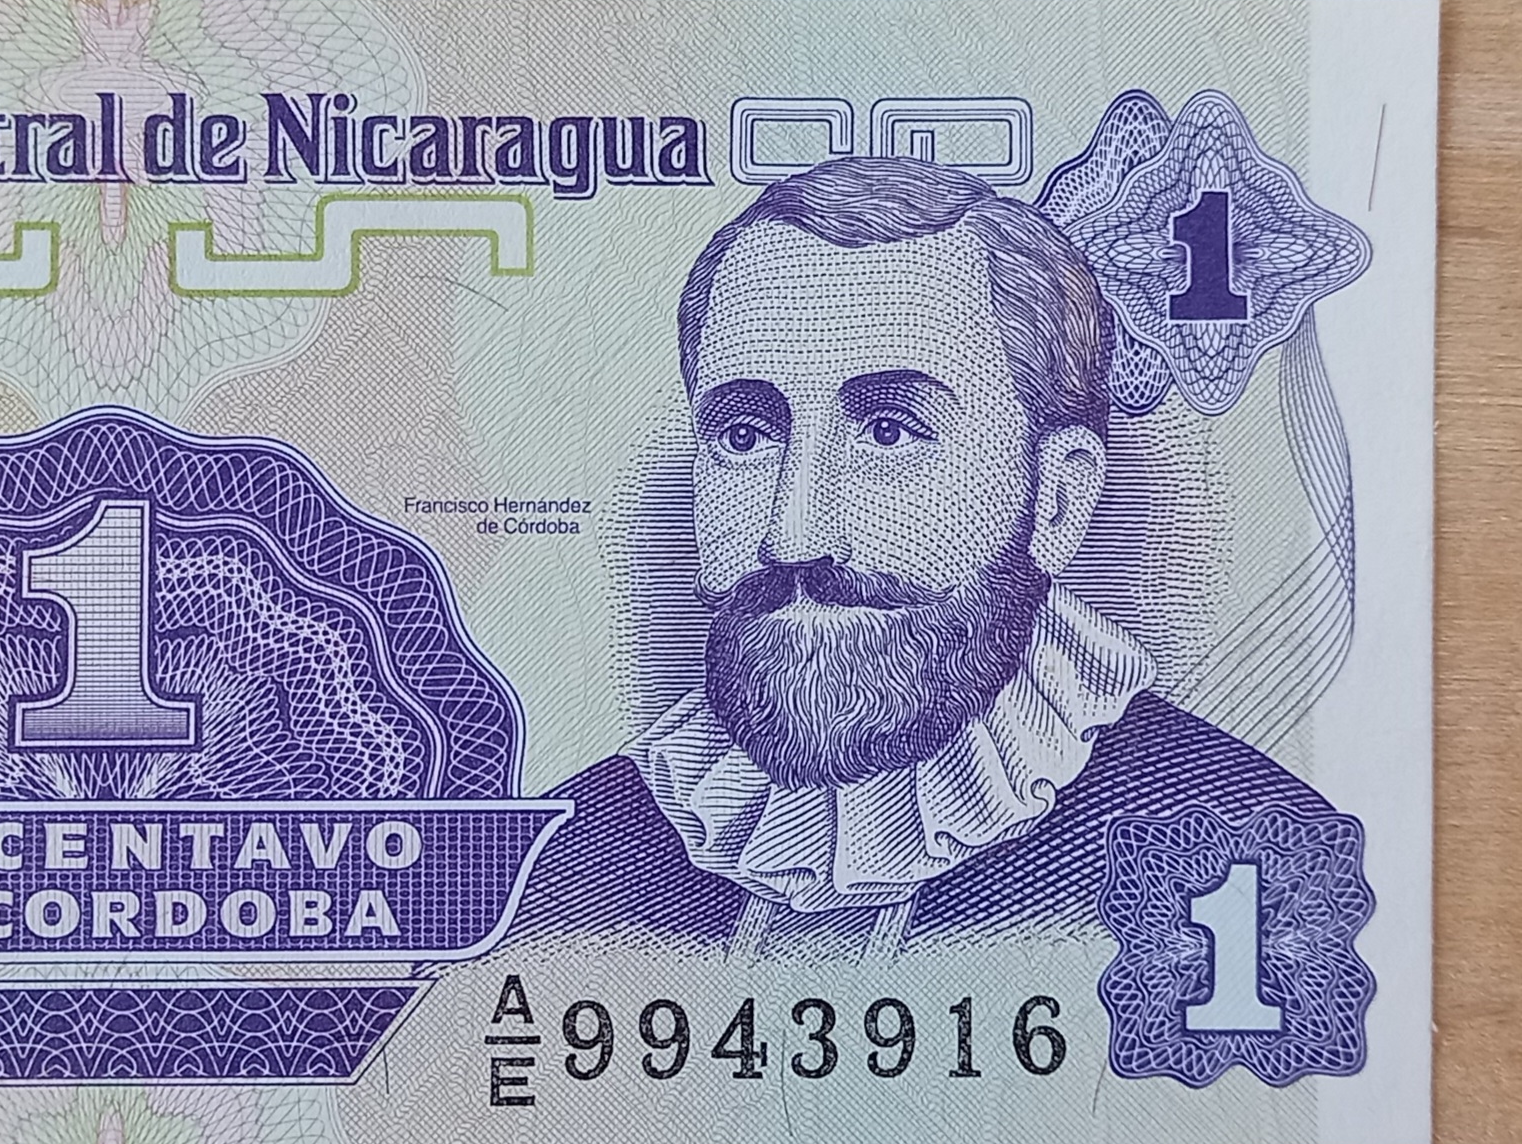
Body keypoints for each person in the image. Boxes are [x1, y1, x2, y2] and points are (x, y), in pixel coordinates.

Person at [516, 155, 1328, 958]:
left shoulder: (1246, 859)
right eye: (745, 436)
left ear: (1056, 499)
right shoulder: (557, 873)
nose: (794, 537)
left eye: (889, 431)